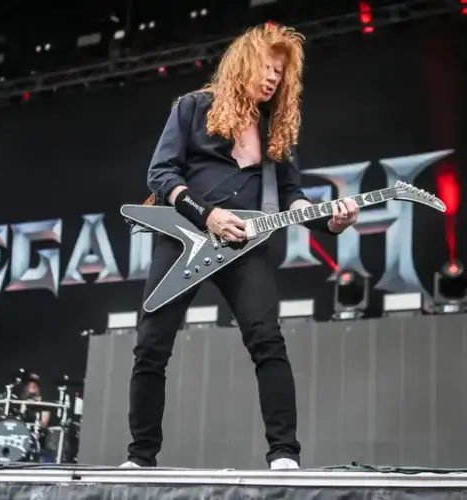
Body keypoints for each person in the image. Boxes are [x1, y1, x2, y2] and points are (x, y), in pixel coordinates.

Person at [122, 22, 360, 470]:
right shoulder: (194, 107)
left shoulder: (275, 130)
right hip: (185, 238)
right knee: (151, 347)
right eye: (267, 67)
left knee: (267, 341)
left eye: (280, 72)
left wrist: (330, 220)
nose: (273, 77)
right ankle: (140, 457)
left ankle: (284, 454)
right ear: (244, 62)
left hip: (244, 247)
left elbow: (291, 197)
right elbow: (161, 174)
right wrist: (207, 214)